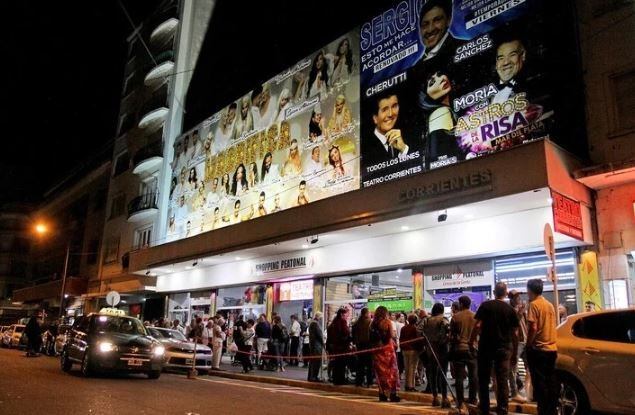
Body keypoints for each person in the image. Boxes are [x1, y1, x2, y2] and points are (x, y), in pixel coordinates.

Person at [470, 282, 519, 415]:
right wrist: (514, 351)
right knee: (502, 379)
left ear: (494, 292)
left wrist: (471, 341)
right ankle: (503, 409)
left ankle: (484, 407)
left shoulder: (485, 306)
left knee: (484, 378)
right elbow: (515, 333)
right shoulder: (510, 310)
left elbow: (478, 325)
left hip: (486, 347)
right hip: (504, 348)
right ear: (505, 292)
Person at [525, 279, 558, 415]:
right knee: (550, 381)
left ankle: (543, 410)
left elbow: (533, 327)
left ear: (530, 290)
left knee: (540, 384)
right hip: (552, 349)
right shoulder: (549, 305)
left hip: (539, 349)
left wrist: (529, 344)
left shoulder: (533, 305)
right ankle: (552, 410)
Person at [420, 69, 463, 167]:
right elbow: (441, 160)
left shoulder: (451, 109)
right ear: (426, 95)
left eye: (440, 74)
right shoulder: (440, 113)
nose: (441, 79)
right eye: (432, 83)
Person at [363, 91, 411, 167]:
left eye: (394, 106)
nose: (390, 114)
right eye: (384, 109)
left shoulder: (410, 135)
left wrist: (403, 149)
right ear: (375, 118)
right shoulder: (365, 148)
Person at [450, 295, 478, 409]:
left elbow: (452, 336)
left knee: (459, 378)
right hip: (472, 349)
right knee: (473, 377)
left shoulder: (455, 317)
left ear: (461, 304)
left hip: (459, 349)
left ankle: (460, 401)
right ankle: (472, 400)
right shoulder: (475, 316)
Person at [370, 306, 400, 402]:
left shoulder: (372, 324)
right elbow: (391, 335)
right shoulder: (387, 322)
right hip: (388, 351)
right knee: (392, 373)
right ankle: (392, 394)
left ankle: (382, 394)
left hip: (377, 351)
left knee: (380, 374)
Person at [423, 303, 451, 408]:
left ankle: (435, 398)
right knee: (442, 373)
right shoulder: (443, 319)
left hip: (430, 349)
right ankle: (444, 397)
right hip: (442, 349)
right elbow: (448, 331)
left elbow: (423, 333)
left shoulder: (428, 320)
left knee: (433, 374)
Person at [508, 289, 530, 402]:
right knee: (513, 368)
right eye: (516, 297)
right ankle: (514, 392)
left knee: (529, 367)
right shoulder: (510, 310)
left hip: (526, 341)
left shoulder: (522, 309)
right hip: (516, 342)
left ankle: (529, 391)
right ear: (511, 299)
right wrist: (521, 312)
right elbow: (514, 323)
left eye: (518, 296)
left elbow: (526, 324)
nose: (518, 298)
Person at [326, 307, 351, 385]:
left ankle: (335, 379)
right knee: (341, 365)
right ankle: (340, 380)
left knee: (336, 364)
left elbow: (329, 336)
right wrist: (349, 339)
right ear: (342, 314)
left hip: (334, 348)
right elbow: (345, 333)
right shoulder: (342, 322)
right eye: (346, 315)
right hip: (342, 347)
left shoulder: (333, 323)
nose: (347, 317)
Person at [400, 313, 424, 392]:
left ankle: (407, 385)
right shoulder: (415, 328)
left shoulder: (403, 328)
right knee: (413, 368)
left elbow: (401, 339)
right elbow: (418, 340)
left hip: (404, 350)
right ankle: (411, 386)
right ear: (415, 320)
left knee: (406, 368)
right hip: (413, 350)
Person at [351, 307, 373, 387]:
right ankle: (369, 382)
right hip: (368, 346)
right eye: (369, 312)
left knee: (360, 365)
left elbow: (353, 335)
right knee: (369, 365)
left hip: (359, 346)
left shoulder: (357, 323)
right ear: (366, 313)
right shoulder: (370, 322)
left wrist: (355, 343)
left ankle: (359, 382)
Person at [308, 312, 324, 382]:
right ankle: (314, 377)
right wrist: (323, 344)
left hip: (313, 345)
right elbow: (319, 336)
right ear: (319, 317)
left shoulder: (313, 323)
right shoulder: (315, 324)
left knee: (313, 362)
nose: (322, 319)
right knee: (316, 362)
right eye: (321, 317)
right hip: (316, 346)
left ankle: (311, 376)